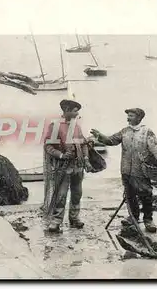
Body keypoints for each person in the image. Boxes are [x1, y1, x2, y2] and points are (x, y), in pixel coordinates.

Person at [91, 108, 157, 233]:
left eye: (131, 116)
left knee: (146, 195)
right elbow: (111, 140)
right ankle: (133, 218)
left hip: (141, 170)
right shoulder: (124, 131)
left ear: (139, 118)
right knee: (130, 195)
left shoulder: (146, 132)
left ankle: (148, 220)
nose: (128, 118)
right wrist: (99, 136)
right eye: (128, 116)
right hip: (126, 170)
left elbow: (156, 147)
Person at [42, 98, 93, 233]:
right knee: (61, 195)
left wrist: (86, 159)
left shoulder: (77, 126)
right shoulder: (55, 125)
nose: (77, 114)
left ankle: (74, 219)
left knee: (77, 194)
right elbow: (48, 146)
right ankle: (56, 221)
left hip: (78, 166)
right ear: (66, 110)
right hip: (62, 167)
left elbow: (83, 145)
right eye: (75, 111)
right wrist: (61, 155)